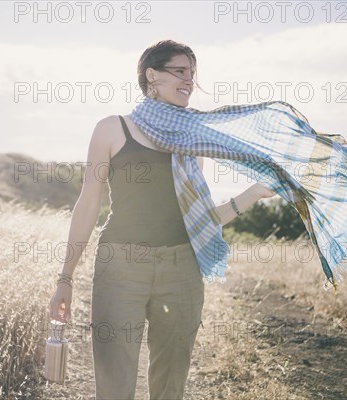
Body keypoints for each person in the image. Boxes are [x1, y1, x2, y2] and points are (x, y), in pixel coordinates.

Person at [49, 40, 276, 400]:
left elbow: (200, 220)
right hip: (121, 268)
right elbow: (88, 203)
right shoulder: (113, 129)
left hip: (181, 270)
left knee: (171, 386)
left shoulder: (190, 141)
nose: (189, 81)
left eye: (193, 74)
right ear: (151, 75)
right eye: (180, 71)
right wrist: (65, 277)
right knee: (114, 384)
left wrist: (250, 195)